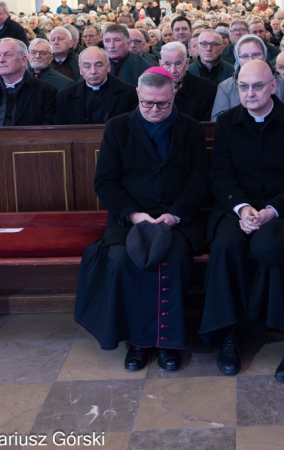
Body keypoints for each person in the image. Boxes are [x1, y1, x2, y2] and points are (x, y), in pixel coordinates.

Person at [74, 67, 209, 372]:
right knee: (122, 259)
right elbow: (105, 182)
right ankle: (137, 342)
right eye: (147, 103)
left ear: (174, 95)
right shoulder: (118, 127)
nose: (154, 110)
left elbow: (201, 179)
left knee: (172, 258)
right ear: (138, 94)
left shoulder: (190, 129)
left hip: (176, 218)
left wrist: (174, 215)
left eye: (162, 103)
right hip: (129, 219)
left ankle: (166, 343)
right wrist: (134, 215)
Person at [200, 59, 284, 382]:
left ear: (273, 87)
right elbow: (220, 175)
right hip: (237, 209)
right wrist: (242, 209)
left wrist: (272, 210)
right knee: (225, 244)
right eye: (243, 87)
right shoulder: (226, 122)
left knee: (279, 247)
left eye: (257, 86)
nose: (249, 93)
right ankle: (229, 334)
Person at [0, 38, 57, 126]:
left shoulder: (45, 91)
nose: (1, 60)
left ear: (23, 60)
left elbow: (46, 131)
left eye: (8, 55)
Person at [211, 34, 284, 121]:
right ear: (238, 59)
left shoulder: (282, 82)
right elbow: (219, 123)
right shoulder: (225, 87)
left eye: (256, 54)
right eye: (245, 56)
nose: (251, 60)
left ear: (264, 55)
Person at [55, 46, 138, 124]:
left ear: (108, 67)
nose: (93, 71)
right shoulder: (65, 96)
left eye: (98, 65)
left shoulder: (129, 93)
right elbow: (62, 132)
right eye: (87, 66)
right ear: (80, 70)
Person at [160, 41, 217, 121]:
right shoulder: (153, 89)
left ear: (187, 64)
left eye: (177, 64)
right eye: (167, 64)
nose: (173, 70)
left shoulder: (207, 89)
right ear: (161, 64)